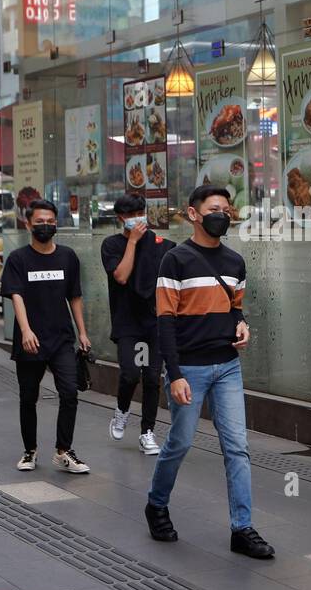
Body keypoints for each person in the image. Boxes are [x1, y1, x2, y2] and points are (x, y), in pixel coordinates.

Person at [145, 185, 273, 559]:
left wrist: (242, 324)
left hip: (228, 367)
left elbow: (234, 308)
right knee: (180, 443)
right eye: (214, 208)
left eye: (227, 208)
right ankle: (156, 505)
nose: (223, 214)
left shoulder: (235, 262)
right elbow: (164, 321)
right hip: (189, 368)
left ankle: (242, 528)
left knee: (237, 448)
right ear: (193, 214)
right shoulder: (175, 260)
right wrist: (175, 373)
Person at [0, 198, 92, 474]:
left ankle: (64, 451)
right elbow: (16, 296)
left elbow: (74, 296)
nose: (45, 226)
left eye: (51, 222)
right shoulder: (18, 259)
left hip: (62, 338)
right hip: (31, 341)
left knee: (69, 393)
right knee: (29, 397)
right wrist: (26, 330)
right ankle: (29, 451)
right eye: (39, 222)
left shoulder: (67, 257)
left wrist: (83, 333)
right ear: (28, 224)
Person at [101, 193, 171, 455]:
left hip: (154, 321)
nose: (137, 218)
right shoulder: (111, 244)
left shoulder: (162, 244)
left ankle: (147, 432)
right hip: (127, 321)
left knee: (152, 377)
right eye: (130, 215)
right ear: (121, 218)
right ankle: (121, 410)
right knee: (130, 373)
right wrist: (132, 242)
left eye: (140, 212)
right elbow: (121, 276)